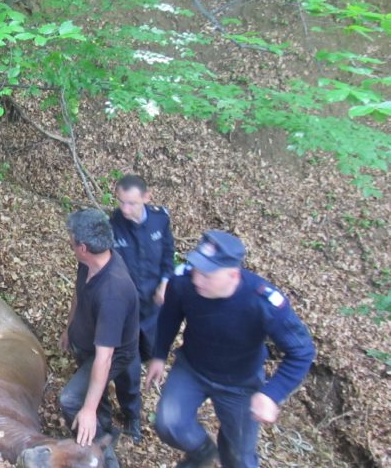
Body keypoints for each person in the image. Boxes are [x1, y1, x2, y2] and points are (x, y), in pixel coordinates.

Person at [145, 230, 315, 468]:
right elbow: (169, 317)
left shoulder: (263, 302)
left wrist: (271, 394)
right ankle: (202, 452)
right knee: (169, 424)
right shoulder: (183, 282)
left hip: (240, 384)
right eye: (196, 269)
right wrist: (159, 355)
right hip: (192, 368)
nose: (197, 279)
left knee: (240, 457)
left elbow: (302, 352)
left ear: (232, 274)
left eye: (207, 275)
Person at [59, 208, 139, 467]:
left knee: (71, 400)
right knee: (93, 391)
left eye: (70, 240)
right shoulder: (88, 262)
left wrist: (88, 410)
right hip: (89, 342)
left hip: (111, 353)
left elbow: (104, 359)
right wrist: (69, 329)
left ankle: (101, 451)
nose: (68, 242)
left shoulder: (113, 291)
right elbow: (78, 294)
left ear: (83, 247)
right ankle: (103, 424)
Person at [108, 175, 175, 443]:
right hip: (127, 311)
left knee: (154, 354)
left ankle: (160, 393)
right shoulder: (114, 225)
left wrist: (166, 282)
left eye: (132, 203)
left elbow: (168, 253)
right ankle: (132, 415)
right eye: (121, 202)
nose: (126, 209)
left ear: (147, 198)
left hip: (155, 307)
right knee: (129, 369)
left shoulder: (160, 219)